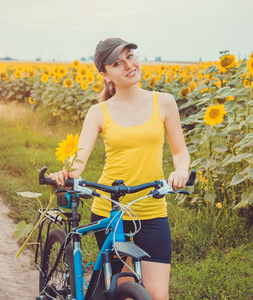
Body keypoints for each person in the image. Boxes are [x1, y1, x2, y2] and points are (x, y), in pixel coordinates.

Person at [49, 38, 190, 300]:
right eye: (117, 62)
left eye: (130, 56)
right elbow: (78, 162)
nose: (129, 65)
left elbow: (180, 152)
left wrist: (180, 171)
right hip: (109, 211)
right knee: (123, 289)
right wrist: (65, 175)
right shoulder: (99, 112)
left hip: (151, 208)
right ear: (104, 74)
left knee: (158, 295)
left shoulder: (164, 102)